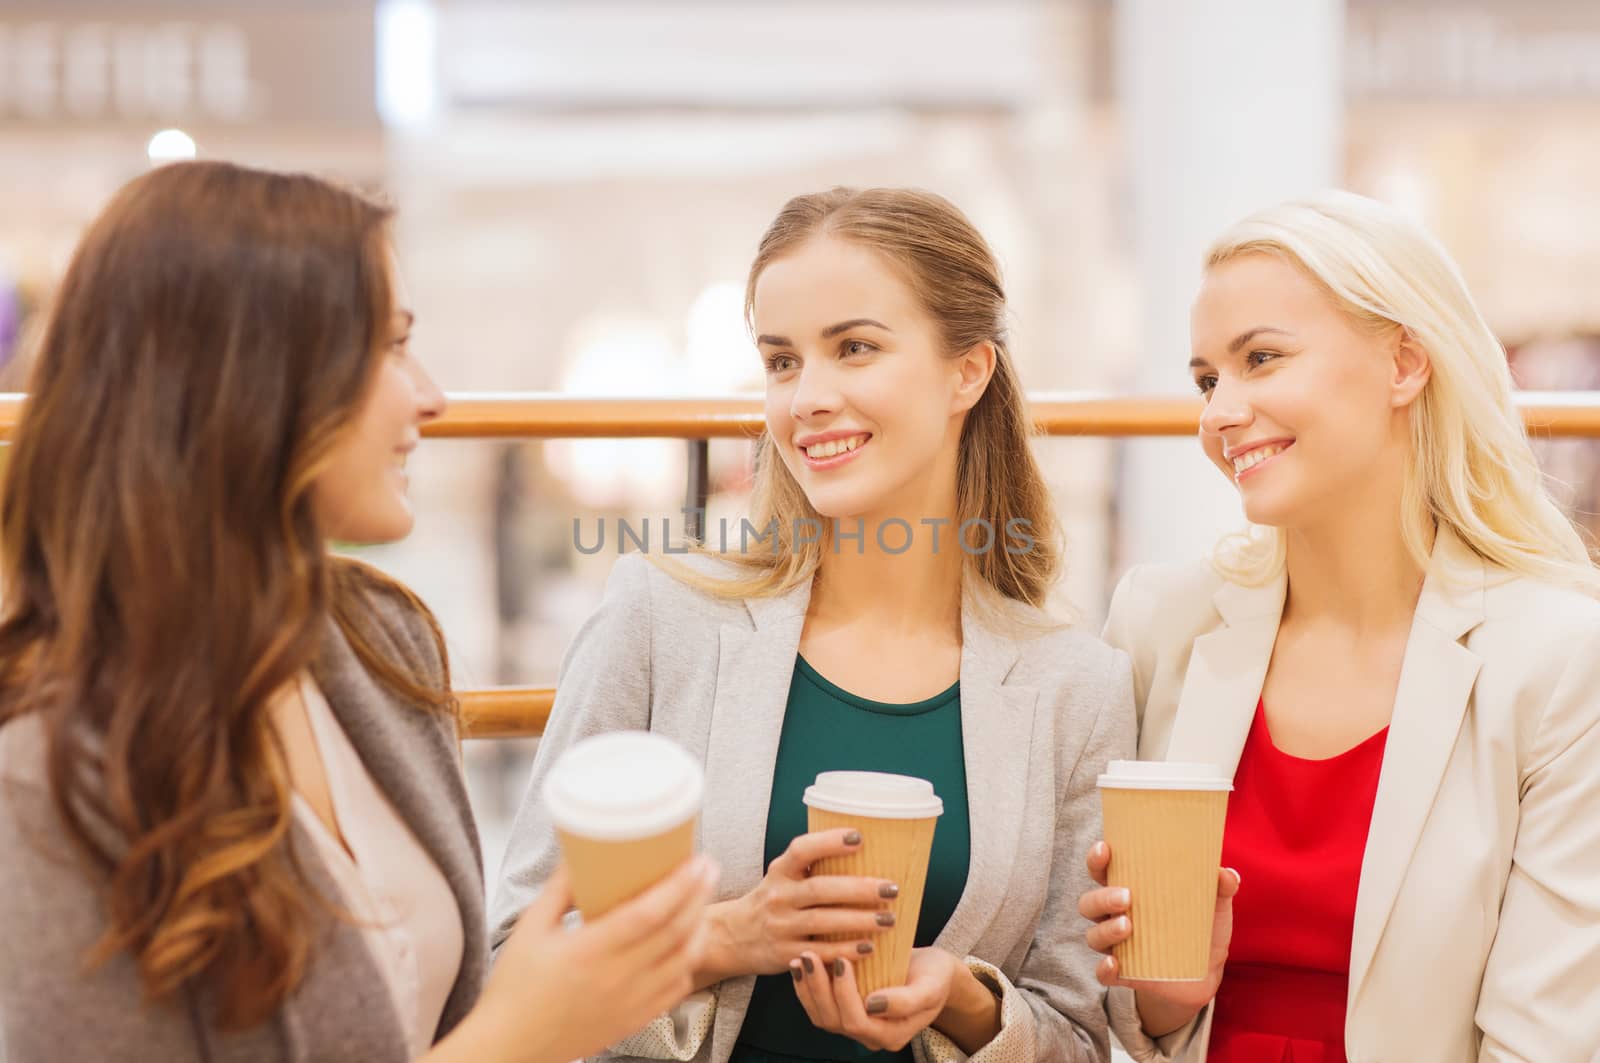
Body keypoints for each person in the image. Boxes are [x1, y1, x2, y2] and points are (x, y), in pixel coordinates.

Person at [0, 159, 715, 1063]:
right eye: (390, 345)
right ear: (250, 377)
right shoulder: (52, 763)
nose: (432, 396)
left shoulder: (381, 638)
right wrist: (516, 1039)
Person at [492, 186, 1135, 1063]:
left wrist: (961, 996)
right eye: (783, 361)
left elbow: (1083, 1040)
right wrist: (729, 937)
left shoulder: (1076, 685)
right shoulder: (661, 617)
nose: (808, 398)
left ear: (968, 372)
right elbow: (509, 964)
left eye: (855, 348)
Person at [1079, 190, 1600, 1062]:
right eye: (1208, 378)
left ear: (1404, 363)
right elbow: (1113, 1014)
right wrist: (1163, 1000)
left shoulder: (1558, 659)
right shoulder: (1158, 622)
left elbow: (1546, 1039)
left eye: (1263, 359)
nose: (1217, 413)